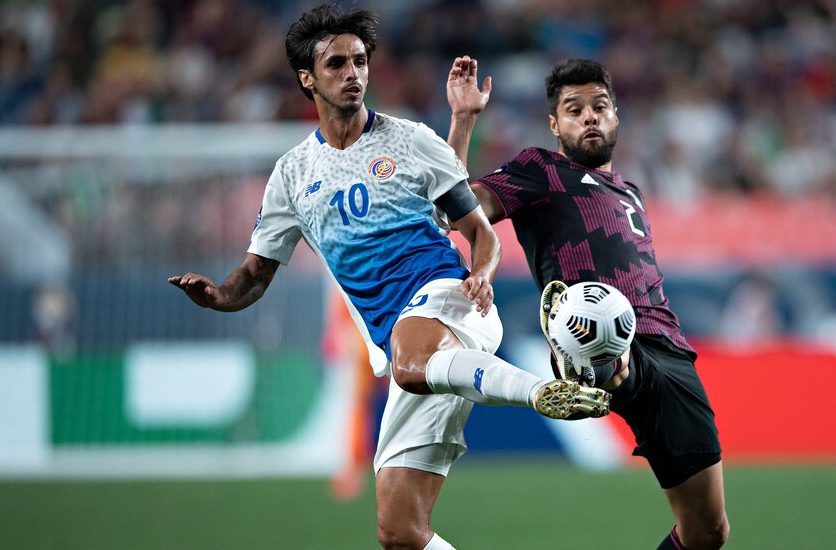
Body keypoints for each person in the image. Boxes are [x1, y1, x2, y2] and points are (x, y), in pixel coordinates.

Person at [168, 7, 610, 549]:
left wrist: (482, 273)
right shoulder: (291, 174)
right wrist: (217, 297)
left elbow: (481, 231)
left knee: (410, 358)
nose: (353, 73)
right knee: (401, 532)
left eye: (360, 61)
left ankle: (542, 390)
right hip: (411, 349)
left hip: (448, 303)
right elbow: (255, 274)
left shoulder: (409, 140)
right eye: (336, 64)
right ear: (307, 78)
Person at [447, 59, 730, 549]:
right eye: (574, 110)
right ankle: (600, 366)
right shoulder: (540, 169)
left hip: (670, 349)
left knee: (708, 532)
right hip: (593, 333)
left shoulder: (630, 191)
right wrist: (464, 119)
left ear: (616, 115)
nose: (589, 117)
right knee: (608, 344)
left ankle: (609, 365)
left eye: (599, 107)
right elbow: (453, 208)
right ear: (555, 125)